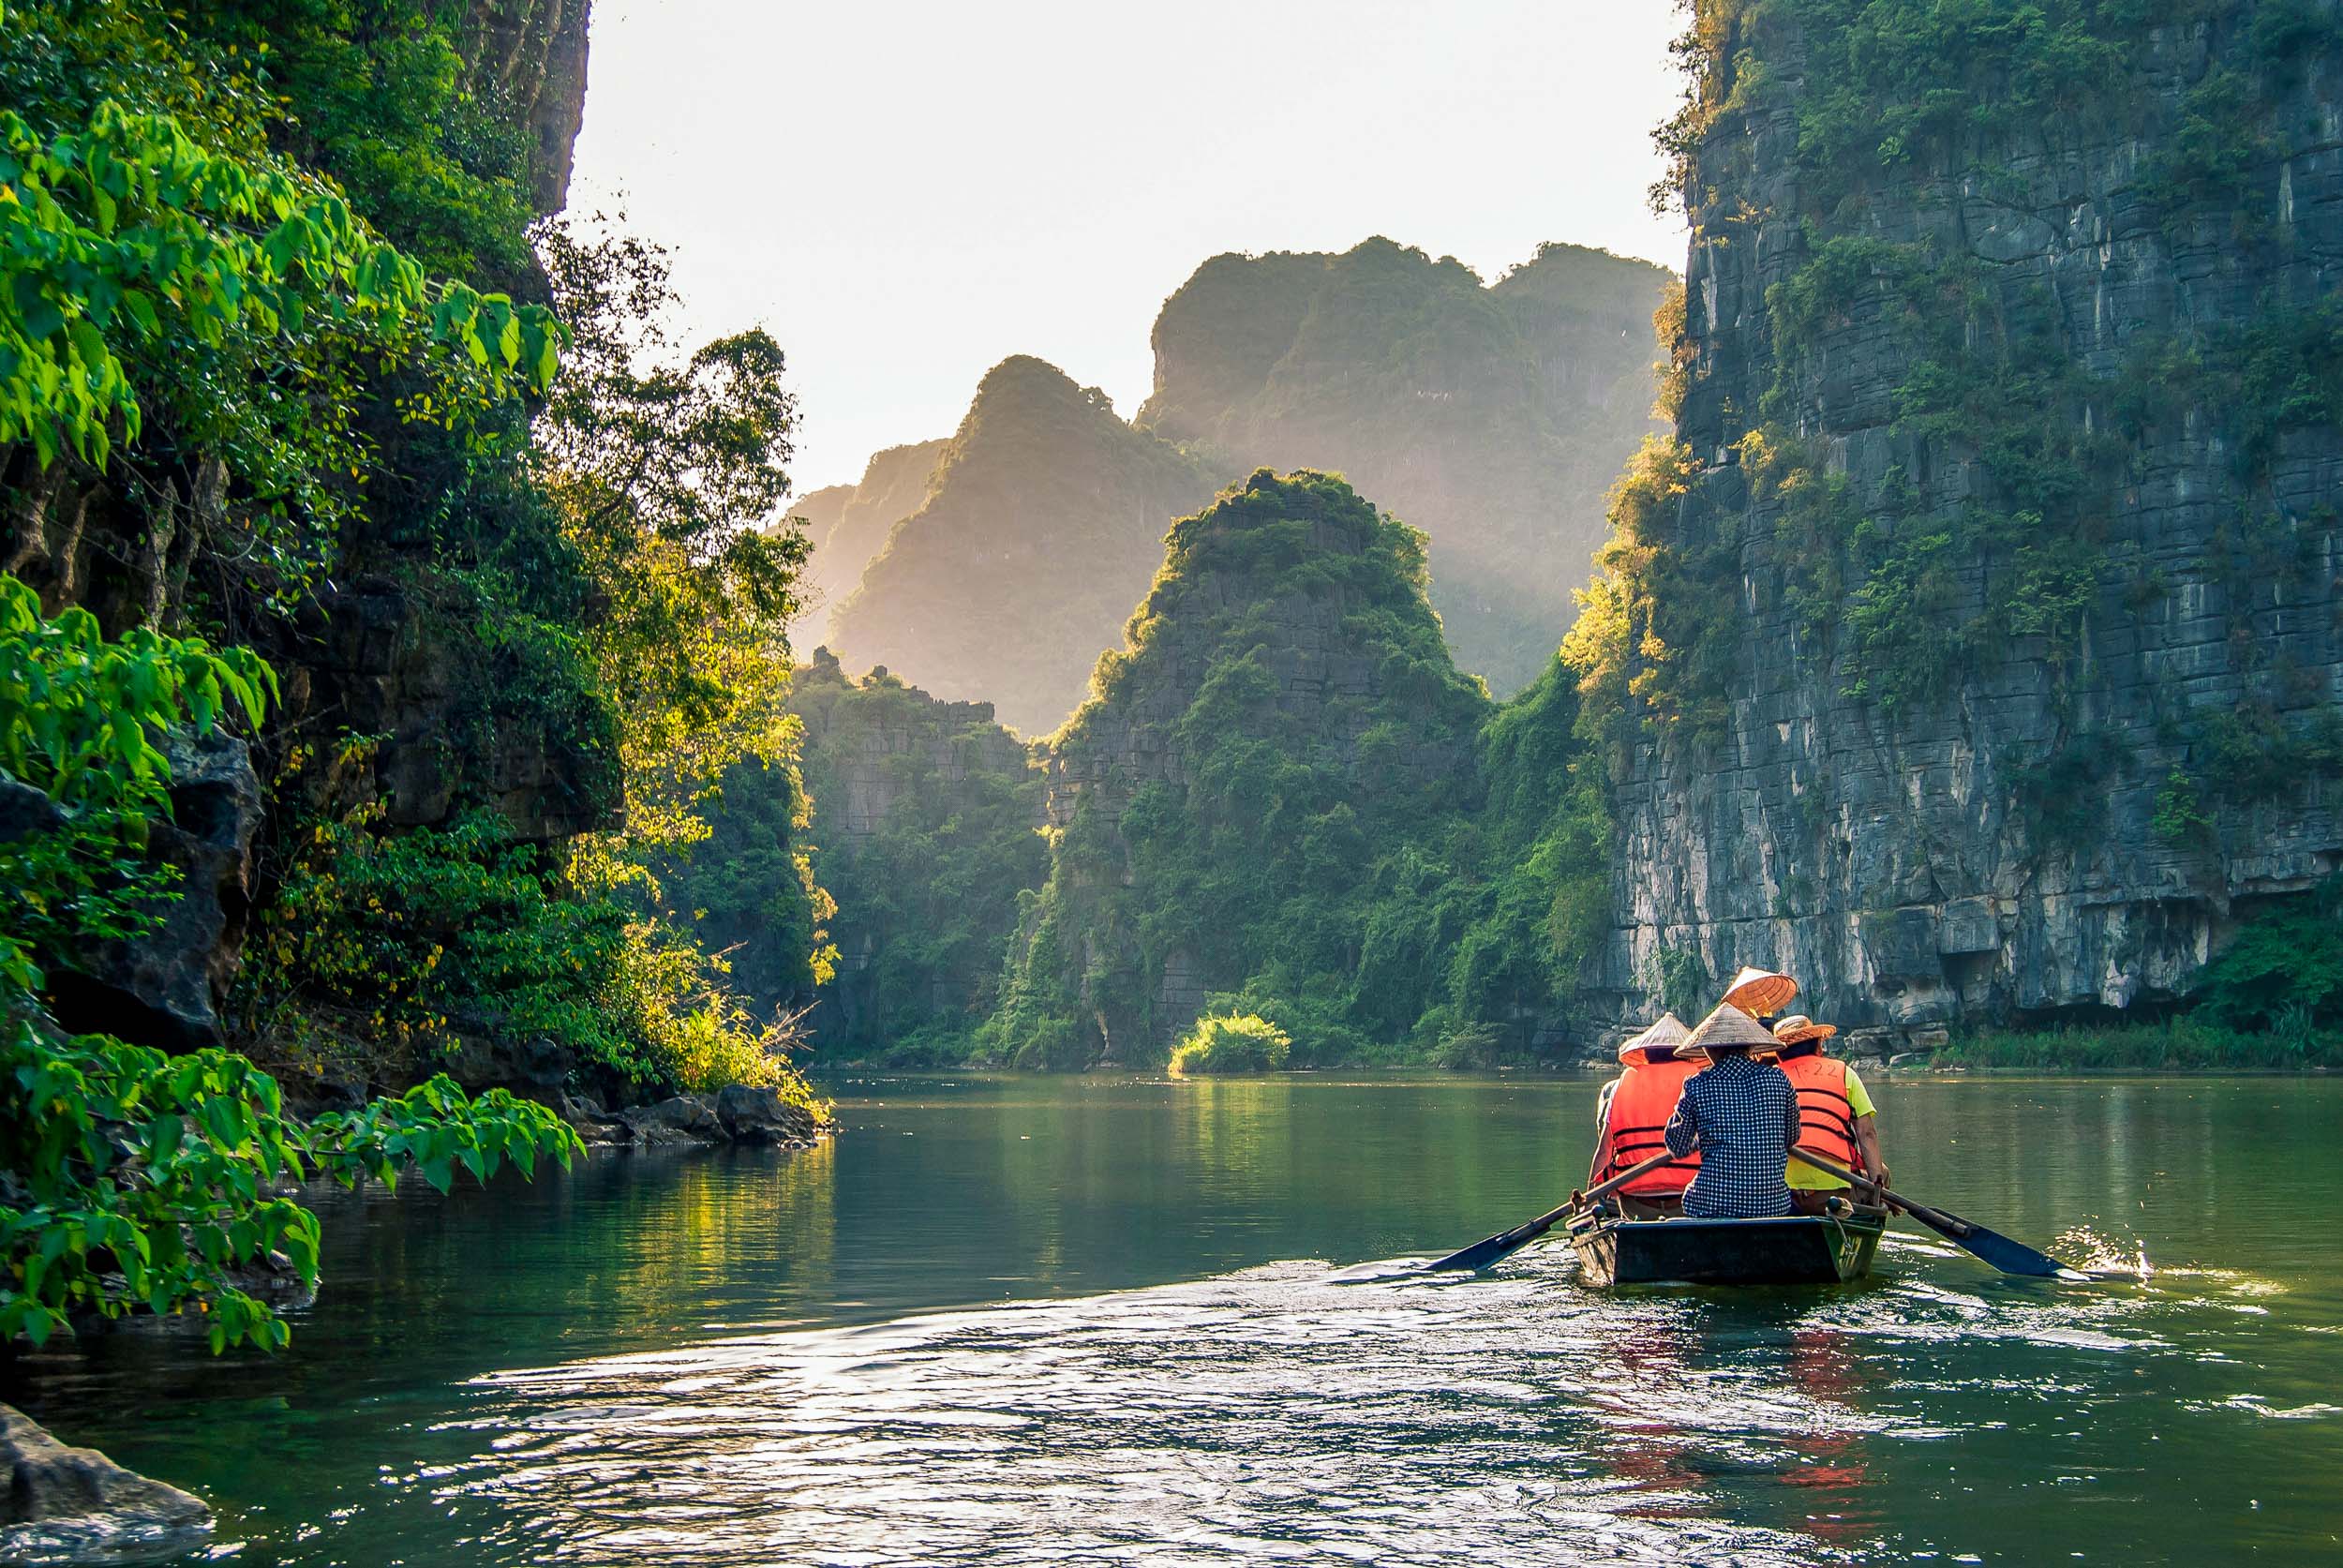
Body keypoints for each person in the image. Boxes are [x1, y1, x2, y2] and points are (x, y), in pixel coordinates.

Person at [1664, 1003, 1802, 1218]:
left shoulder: (1697, 1085)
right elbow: (1791, 1138)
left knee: (1691, 1198)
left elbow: (1677, 1147)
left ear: (1709, 1049)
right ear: (1750, 1047)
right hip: (1772, 1205)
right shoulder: (1779, 1079)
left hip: (1713, 1205)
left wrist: (1702, 1138)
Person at [1767, 1015, 1889, 1211]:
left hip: (1778, 1195)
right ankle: (1870, 1213)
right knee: (1882, 1172)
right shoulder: (1844, 1073)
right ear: (1818, 1047)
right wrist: (1879, 1192)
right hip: (1833, 1193)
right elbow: (1867, 1134)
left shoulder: (1767, 1079)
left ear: (1778, 1054)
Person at [1589, 1012, 1700, 1213]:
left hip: (1637, 1204)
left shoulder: (1621, 1085)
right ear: (1685, 1053)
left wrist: (1588, 1202)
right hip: (1689, 1200)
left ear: (1646, 1054)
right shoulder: (1698, 1081)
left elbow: (1604, 1151)